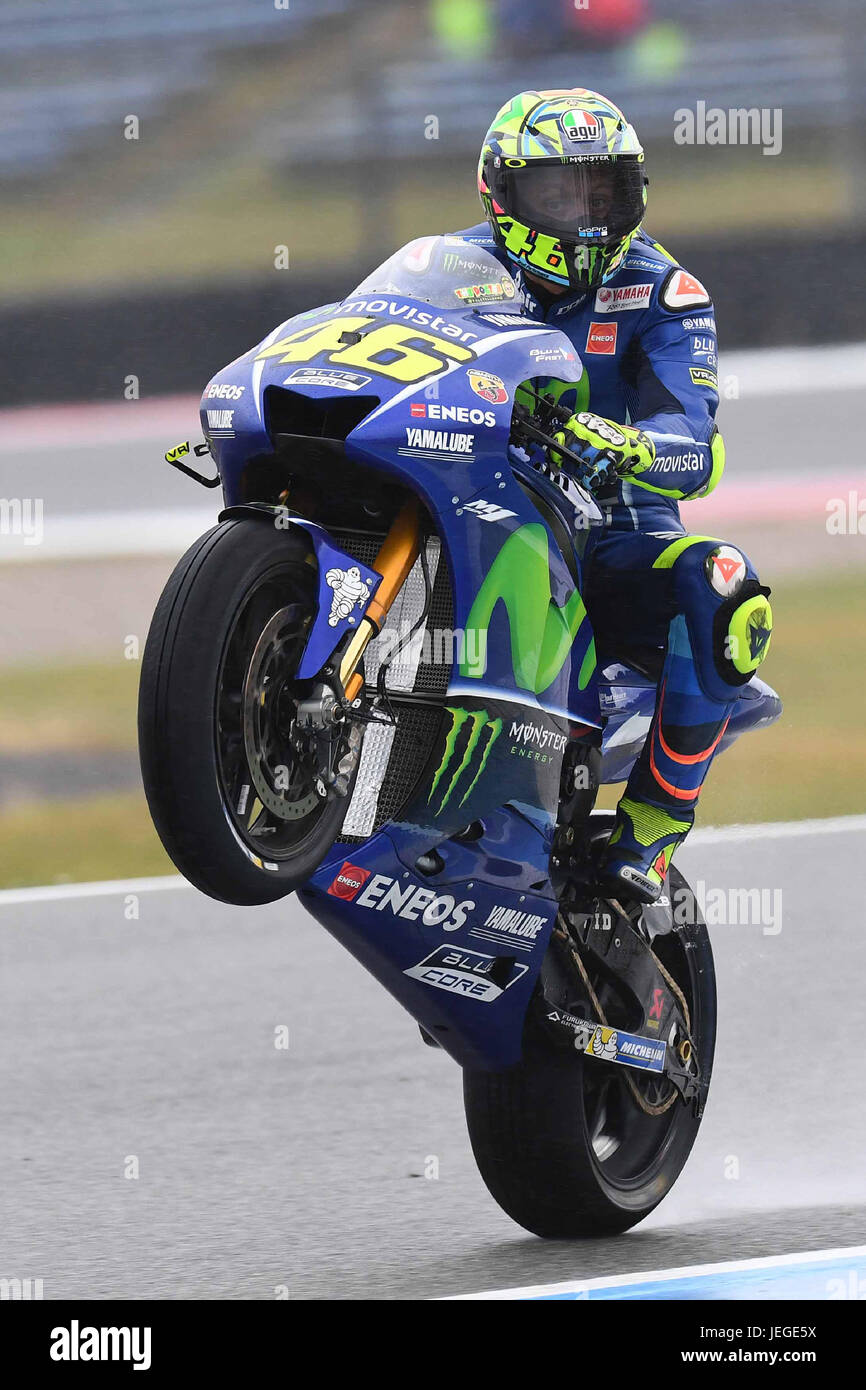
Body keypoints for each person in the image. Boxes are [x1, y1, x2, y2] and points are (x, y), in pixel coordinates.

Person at [452, 88, 773, 902]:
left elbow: (694, 444)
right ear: (503, 191)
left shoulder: (665, 294)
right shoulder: (449, 269)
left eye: (605, 191)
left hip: (608, 545)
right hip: (474, 518)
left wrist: (629, 445)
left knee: (726, 582)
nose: (585, 212)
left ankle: (653, 829)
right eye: (560, 191)